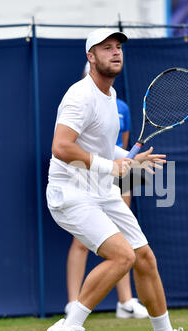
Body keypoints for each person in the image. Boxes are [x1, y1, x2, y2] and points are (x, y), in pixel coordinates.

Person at [46, 28, 188, 331]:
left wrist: (128, 160)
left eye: (118, 47)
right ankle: (69, 327)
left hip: (100, 191)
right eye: (106, 48)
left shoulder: (110, 98)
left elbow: (102, 148)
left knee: (144, 258)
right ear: (91, 57)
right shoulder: (80, 96)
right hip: (70, 193)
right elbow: (61, 147)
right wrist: (109, 167)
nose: (115, 52)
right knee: (122, 257)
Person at [65, 86, 148, 319]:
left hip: (118, 174)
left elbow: (120, 144)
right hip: (88, 175)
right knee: (81, 241)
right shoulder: (80, 102)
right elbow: (72, 145)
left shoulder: (120, 107)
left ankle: (125, 302)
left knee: (123, 238)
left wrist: (123, 167)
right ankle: (73, 303)